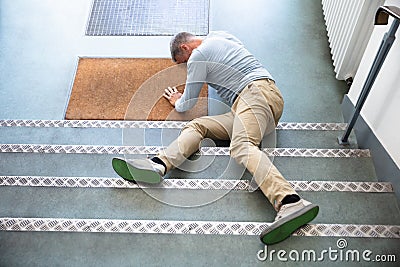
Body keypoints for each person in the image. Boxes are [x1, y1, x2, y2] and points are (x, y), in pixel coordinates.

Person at [112, 31, 319, 244]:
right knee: (199, 126)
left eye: (183, 63)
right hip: (256, 103)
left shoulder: (198, 56)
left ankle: (290, 200)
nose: (186, 67)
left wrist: (176, 100)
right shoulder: (221, 37)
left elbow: (188, 102)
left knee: (241, 146)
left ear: (184, 48)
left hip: (254, 95)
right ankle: (158, 164)